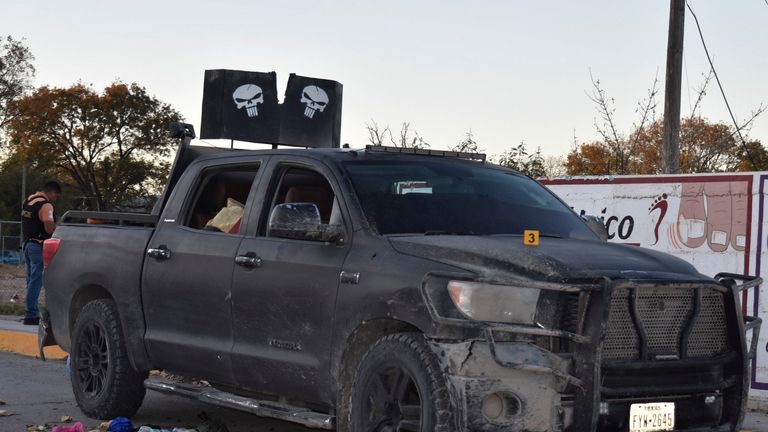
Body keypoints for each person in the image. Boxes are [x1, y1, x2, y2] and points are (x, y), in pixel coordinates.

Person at [20, 181, 62, 325]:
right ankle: (31, 315)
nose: (56, 198)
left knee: (30, 280)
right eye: (56, 195)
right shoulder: (46, 205)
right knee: (36, 282)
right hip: (38, 247)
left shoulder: (28, 200)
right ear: (52, 192)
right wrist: (58, 224)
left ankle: (30, 310)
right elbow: (49, 226)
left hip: (26, 245)